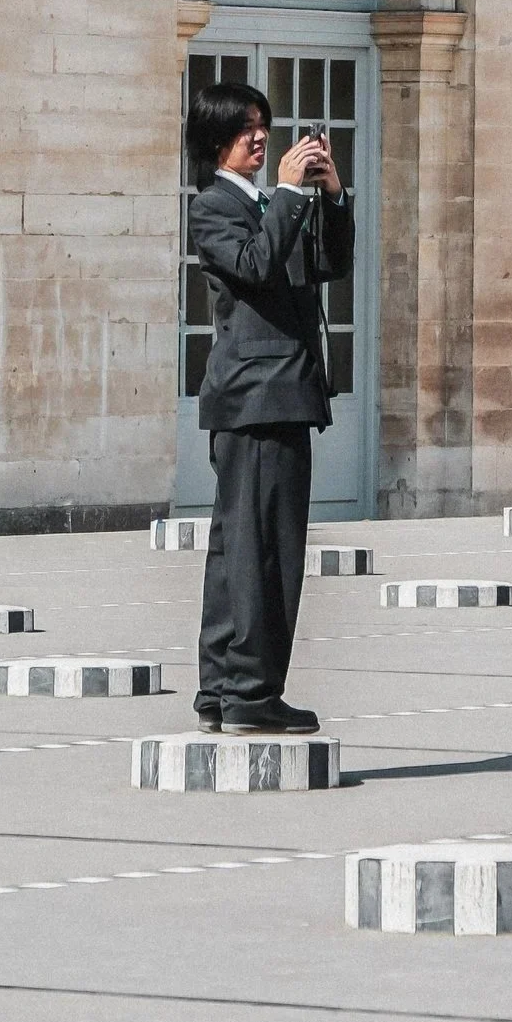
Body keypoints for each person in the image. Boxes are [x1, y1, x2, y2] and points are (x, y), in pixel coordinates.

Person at [183, 79, 353, 735]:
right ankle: (250, 691)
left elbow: (327, 263)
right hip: (254, 398)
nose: (260, 136)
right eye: (245, 127)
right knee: (259, 554)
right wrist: (286, 194)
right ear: (215, 140)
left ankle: (223, 691)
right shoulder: (216, 208)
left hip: (283, 393)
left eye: (263, 123)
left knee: (244, 550)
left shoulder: (267, 204)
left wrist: (330, 197)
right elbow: (255, 267)